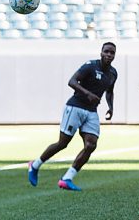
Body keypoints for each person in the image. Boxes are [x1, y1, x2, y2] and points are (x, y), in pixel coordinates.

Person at [28, 42, 117, 191]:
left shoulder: (113, 73)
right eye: (106, 51)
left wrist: (111, 107)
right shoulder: (90, 66)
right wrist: (87, 93)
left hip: (91, 111)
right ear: (101, 52)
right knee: (63, 143)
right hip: (75, 106)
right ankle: (35, 165)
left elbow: (109, 91)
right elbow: (72, 81)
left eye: (112, 53)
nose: (109, 55)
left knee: (91, 145)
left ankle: (67, 178)